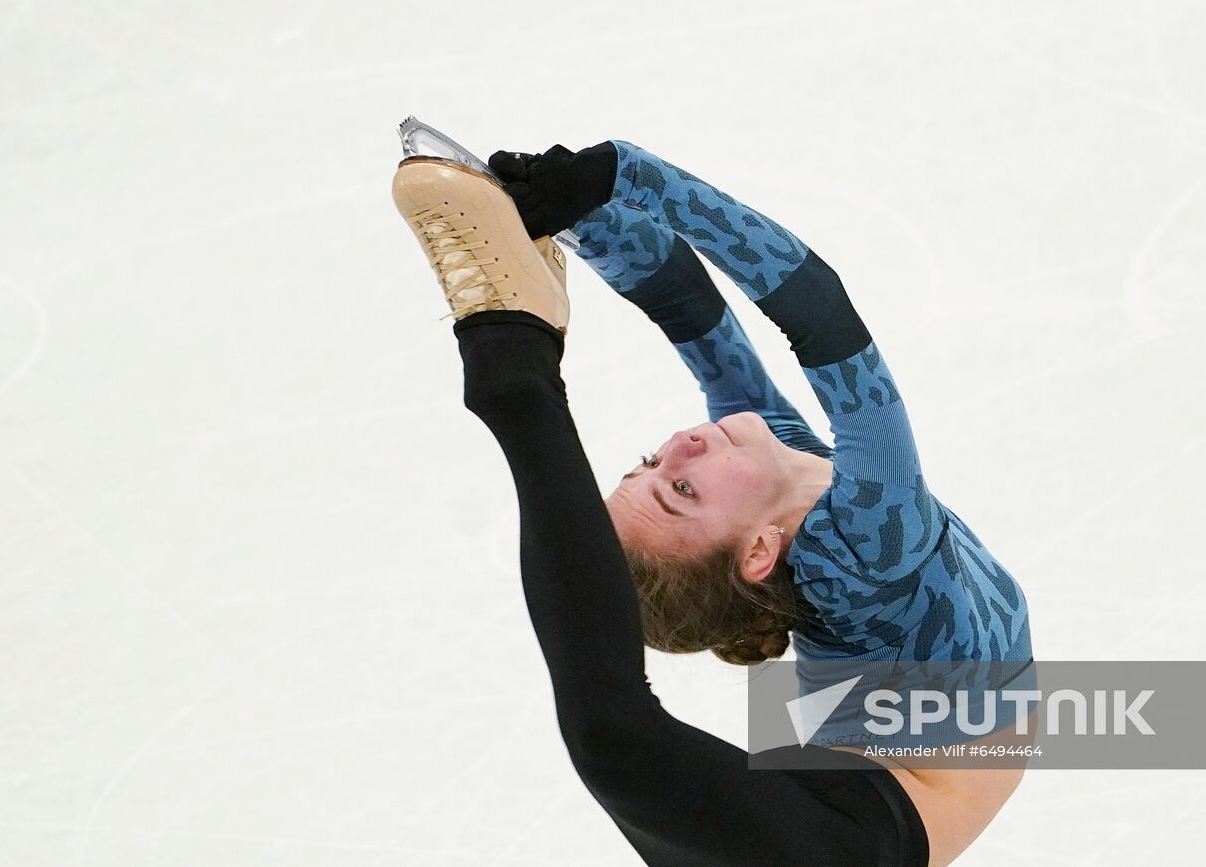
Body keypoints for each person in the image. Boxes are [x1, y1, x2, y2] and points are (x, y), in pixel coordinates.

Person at [391, 136, 1034, 867]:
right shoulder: (867, 547)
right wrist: (621, 174)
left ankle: (513, 354)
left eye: (651, 464)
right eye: (682, 491)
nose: (681, 445)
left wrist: (568, 213)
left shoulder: (775, 467)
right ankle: (511, 356)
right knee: (613, 740)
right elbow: (817, 310)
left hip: (856, 787)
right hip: (856, 832)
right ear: (759, 550)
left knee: (615, 743)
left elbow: (683, 306)